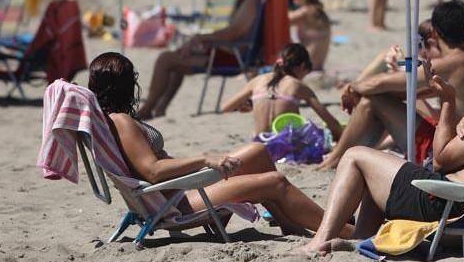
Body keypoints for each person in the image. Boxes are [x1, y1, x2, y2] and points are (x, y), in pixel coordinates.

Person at [298, 39, 464, 255]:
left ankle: (317, 242)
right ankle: (363, 239)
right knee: (380, 167)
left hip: (448, 205)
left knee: (355, 157)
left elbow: (441, 161)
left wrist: (447, 102)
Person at [88, 52, 338, 237]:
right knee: (276, 182)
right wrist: (205, 159)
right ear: (126, 85)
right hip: (178, 201)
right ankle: (341, 229)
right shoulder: (121, 122)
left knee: (258, 152)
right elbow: (153, 171)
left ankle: (290, 225)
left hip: (177, 190)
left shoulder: (113, 120)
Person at [320, 0, 464, 169]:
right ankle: (337, 158)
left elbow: (380, 83)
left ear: (434, 33)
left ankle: (333, 161)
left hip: (450, 154)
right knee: (376, 98)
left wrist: (352, 87)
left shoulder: (454, 63)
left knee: (371, 101)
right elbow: (406, 93)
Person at [136, 0, 273, 119]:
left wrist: (200, 38)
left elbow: (232, 33)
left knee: (165, 59)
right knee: (177, 55)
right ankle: (160, 107)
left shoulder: (251, 3)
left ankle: (147, 108)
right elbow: (234, 33)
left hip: (229, 57)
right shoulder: (256, 0)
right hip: (229, 52)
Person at [222, 43, 344, 138]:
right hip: (286, 145)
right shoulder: (297, 85)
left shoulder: (257, 81)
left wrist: (255, 104)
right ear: (302, 67)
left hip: (260, 145)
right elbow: (331, 123)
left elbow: (225, 108)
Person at [287, 0, 332, 70]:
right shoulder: (318, 11)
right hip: (318, 67)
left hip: (306, 70)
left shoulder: (305, 12)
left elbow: (282, 21)